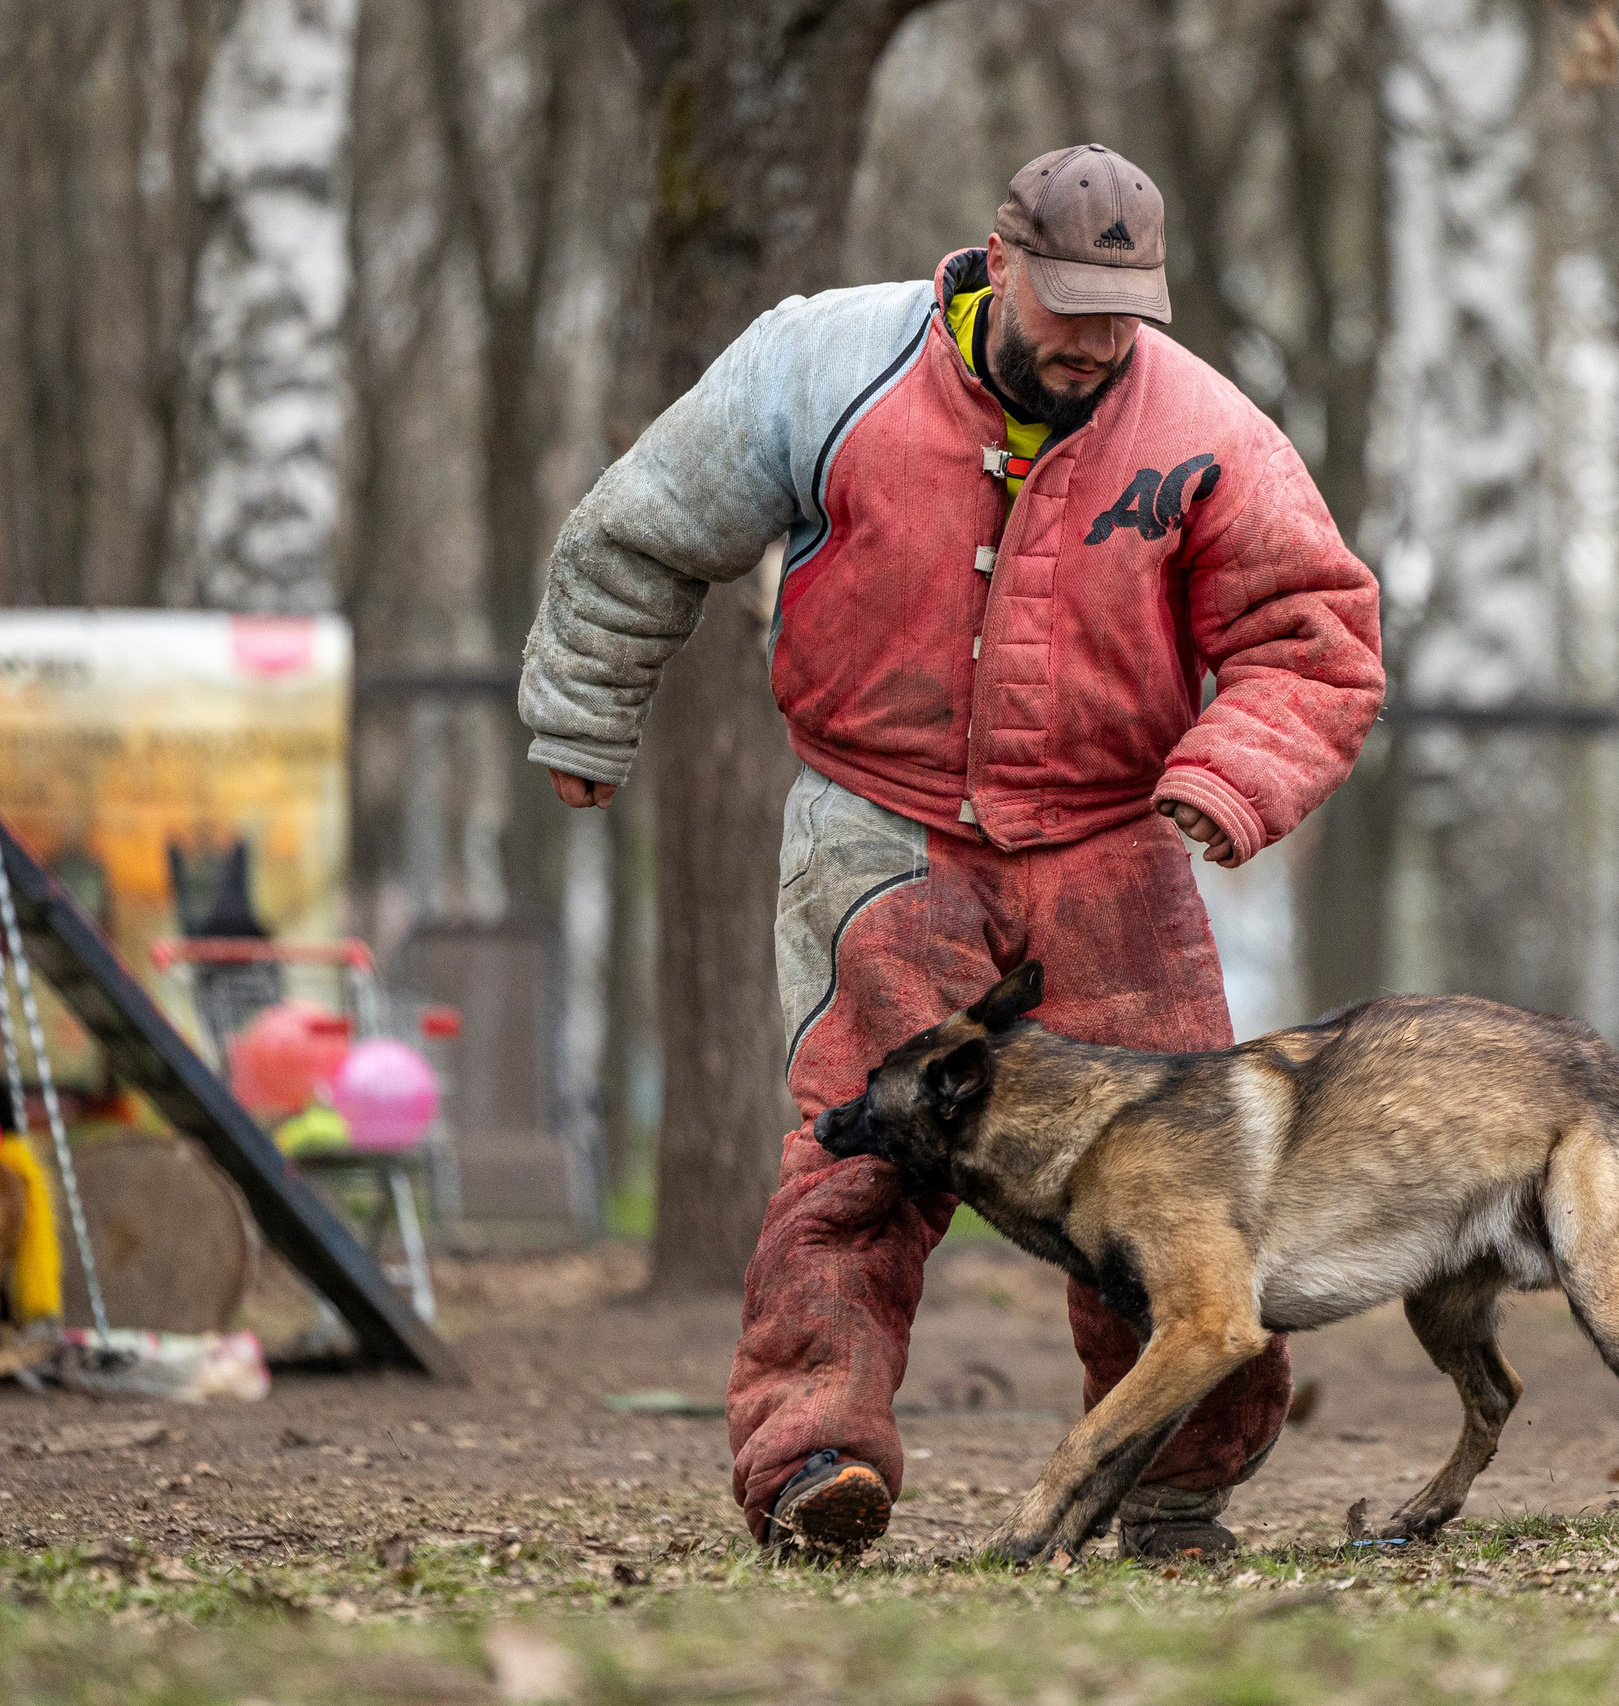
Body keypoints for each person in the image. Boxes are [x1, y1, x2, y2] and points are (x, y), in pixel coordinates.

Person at [519, 145, 1383, 1559]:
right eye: (1071, 308)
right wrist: (583, 715)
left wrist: (1230, 779)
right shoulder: (822, 365)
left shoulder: (1206, 428)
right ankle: (815, 1461)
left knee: (1170, 1170)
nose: (1097, 343)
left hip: (1114, 840)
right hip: (880, 824)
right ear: (999, 261)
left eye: (1125, 313)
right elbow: (640, 532)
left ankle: (1172, 1481)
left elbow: (1319, 637)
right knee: (862, 1152)